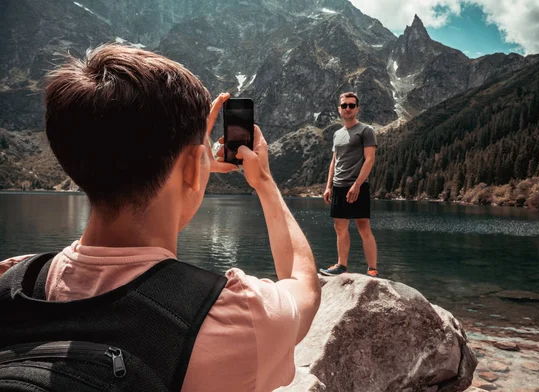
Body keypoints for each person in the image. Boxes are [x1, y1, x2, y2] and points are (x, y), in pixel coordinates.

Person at [0, 44, 321, 392]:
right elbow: (303, 284)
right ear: (192, 169)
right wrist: (264, 183)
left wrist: (188, 164)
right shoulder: (235, 316)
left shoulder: (13, 280)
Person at [320, 92, 379, 277]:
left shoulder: (366, 131)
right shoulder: (337, 134)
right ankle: (341, 266)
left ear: (357, 109)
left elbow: (369, 160)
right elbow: (334, 161)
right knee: (340, 227)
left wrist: (357, 185)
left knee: (363, 226)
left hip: (357, 186)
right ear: (339, 109)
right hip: (338, 186)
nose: (348, 108)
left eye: (351, 105)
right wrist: (328, 186)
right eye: (344, 105)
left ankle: (372, 268)